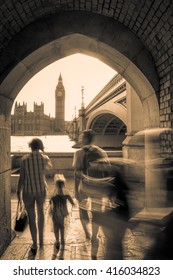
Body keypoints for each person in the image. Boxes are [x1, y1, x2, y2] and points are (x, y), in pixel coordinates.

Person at [73, 129, 109, 258]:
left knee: (82, 210)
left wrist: (76, 190)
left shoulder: (79, 153)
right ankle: (94, 236)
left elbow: (77, 173)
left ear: (84, 139)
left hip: (84, 187)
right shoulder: (101, 152)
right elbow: (107, 171)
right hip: (98, 188)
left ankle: (87, 233)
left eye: (81, 137)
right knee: (97, 212)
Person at [17, 138, 52, 255]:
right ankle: (41, 240)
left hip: (28, 191)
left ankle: (35, 244)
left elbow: (21, 178)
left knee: (32, 217)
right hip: (41, 190)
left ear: (30, 147)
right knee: (41, 213)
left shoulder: (24, 159)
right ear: (40, 146)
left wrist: (18, 191)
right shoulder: (45, 158)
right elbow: (46, 171)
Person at [49, 174, 74, 259]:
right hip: (63, 214)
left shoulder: (54, 195)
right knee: (62, 227)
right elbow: (72, 202)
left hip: (55, 214)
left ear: (55, 185)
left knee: (56, 228)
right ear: (64, 185)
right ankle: (62, 241)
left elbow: (50, 203)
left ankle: (57, 241)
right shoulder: (66, 194)